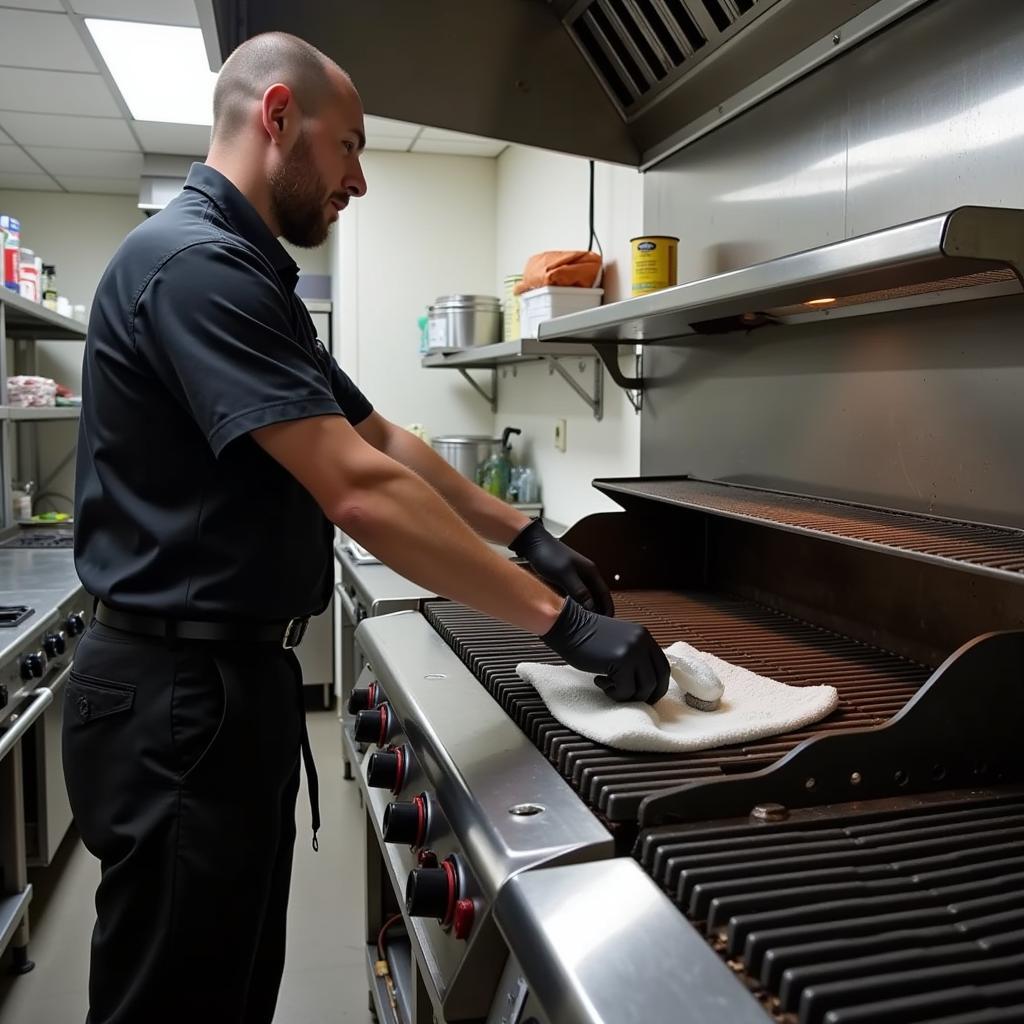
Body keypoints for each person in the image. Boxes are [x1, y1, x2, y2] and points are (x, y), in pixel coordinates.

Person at [67, 31, 668, 1024]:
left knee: (222, 990)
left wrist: (524, 532)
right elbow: (355, 488)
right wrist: (558, 623)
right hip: (174, 706)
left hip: (212, 693)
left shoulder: (246, 273)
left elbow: (376, 434)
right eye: (348, 146)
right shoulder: (194, 267)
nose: (358, 179)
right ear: (276, 117)